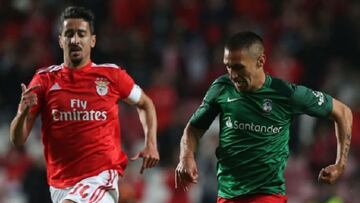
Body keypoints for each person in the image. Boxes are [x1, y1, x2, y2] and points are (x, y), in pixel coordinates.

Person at [175, 31, 352, 203]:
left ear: (260, 61)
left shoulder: (284, 93)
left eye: (239, 67)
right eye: (228, 66)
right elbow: (194, 127)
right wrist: (186, 156)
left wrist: (340, 164)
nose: (233, 75)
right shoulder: (221, 88)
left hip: (267, 195)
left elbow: (343, 112)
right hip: (227, 195)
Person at [9, 6, 159, 203]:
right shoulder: (44, 80)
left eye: (81, 34)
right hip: (59, 183)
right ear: (61, 40)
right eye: (69, 34)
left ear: (92, 40)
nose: (75, 40)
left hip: (100, 178)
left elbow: (145, 103)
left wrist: (151, 143)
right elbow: (18, 139)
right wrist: (23, 114)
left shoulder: (111, 76)